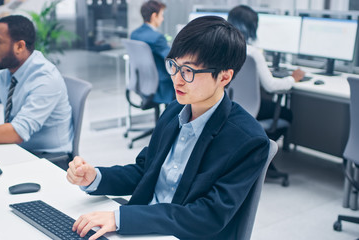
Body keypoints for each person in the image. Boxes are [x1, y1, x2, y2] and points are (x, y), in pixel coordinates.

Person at [66, 16, 270, 240]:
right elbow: (145, 171)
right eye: (174, 66)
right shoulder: (173, 111)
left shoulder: (247, 140)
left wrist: (122, 218)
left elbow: (207, 216)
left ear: (224, 76)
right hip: (146, 227)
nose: (177, 80)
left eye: (188, 72)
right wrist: (96, 177)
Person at [0, 15, 73, 162]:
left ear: (19, 46)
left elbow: (18, 132)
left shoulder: (45, 78)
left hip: (51, 159)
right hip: (19, 150)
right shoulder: (7, 72)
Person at [228, 5, 305, 140]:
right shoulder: (253, 53)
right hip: (249, 110)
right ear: (252, 27)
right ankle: (260, 150)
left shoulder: (222, 47)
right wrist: (293, 78)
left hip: (228, 106)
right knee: (286, 114)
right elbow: (271, 86)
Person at [130, 0, 175, 104]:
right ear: (154, 16)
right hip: (162, 86)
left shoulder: (134, 34)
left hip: (143, 83)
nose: (162, 19)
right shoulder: (157, 38)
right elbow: (171, 59)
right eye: (161, 15)